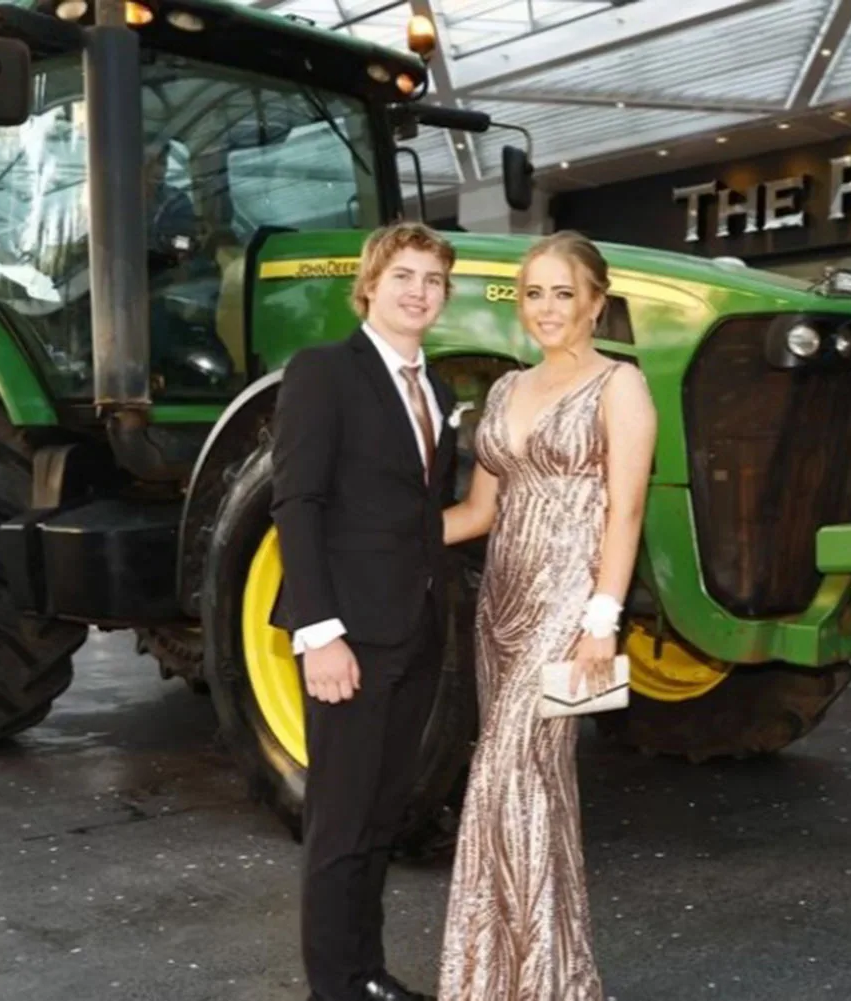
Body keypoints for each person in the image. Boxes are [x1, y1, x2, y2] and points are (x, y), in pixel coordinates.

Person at [438, 231, 657, 1000]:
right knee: (538, 790)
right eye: (535, 292)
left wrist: (602, 616)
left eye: (565, 293)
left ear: (598, 302)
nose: (548, 308)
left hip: (570, 601)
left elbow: (625, 511)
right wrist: (378, 533)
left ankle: (527, 981)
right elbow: (475, 512)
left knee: (510, 779)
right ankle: (527, 975)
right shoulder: (504, 392)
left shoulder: (620, 385)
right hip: (501, 600)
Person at [270, 222, 459, 1001]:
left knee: (383, 818)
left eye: (434, 280)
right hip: (347, 635)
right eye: (404, 275)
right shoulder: (323, 372)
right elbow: (297, 503)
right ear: (370, 286)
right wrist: (319, 633)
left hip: (414, 631)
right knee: (339, 827)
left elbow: (419, 513)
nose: (419, 291)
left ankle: (366, 972)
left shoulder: (437, 390)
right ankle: (333, 989)